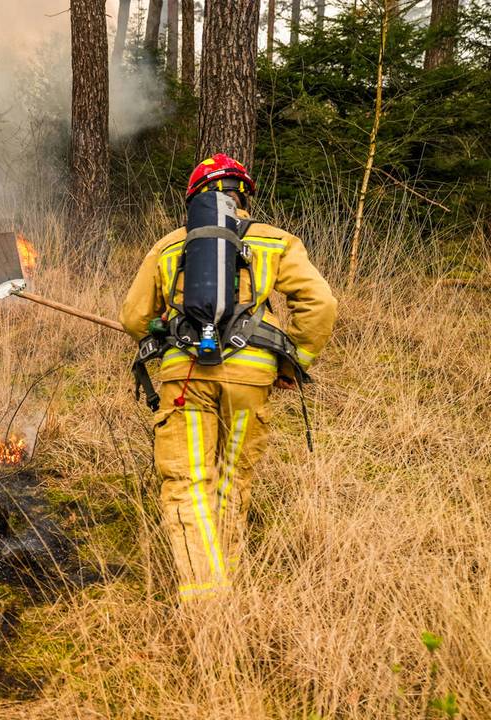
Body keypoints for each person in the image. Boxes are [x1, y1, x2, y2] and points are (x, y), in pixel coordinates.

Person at [119, 153, 338, 602]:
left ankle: (205, 597)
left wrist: (165, 336)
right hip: (252, 378)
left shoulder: (169, 245)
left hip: (186, 378)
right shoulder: (277, 241)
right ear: (243, 196)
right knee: (232, 478)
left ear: (194, 197)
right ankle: (227, 581)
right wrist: (295, 361)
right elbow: (320, 305)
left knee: (188, 481)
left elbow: (133, 317)